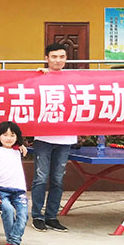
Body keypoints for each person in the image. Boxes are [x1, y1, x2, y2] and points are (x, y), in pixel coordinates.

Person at [31, 42, 76, 233]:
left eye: (62, 57)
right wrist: (37, 76)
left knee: (57, 180)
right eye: (54, 57)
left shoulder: (74, 79)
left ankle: (51, 217)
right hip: (43, 138)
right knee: (41, 178)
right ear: (46, 58)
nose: (58, 60)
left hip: (65, 138)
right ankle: (37, 216)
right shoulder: (39, 76)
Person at [0, 121, 29, 245]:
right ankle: (14, 243)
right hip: (1, 190)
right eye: (5, 135)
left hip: (19, 191)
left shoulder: (18, 151)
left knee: (23, 214)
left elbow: (22, 148)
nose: (9, 138)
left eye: (12, 135)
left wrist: (21, 146)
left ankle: (13, 243)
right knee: (8, 210)